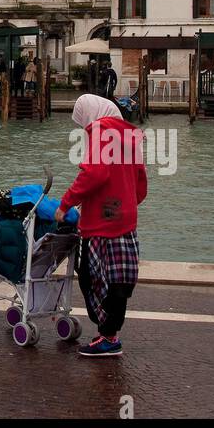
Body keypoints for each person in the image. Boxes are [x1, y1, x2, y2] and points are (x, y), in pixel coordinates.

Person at [55, 93, 147, 358]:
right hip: (124, 218)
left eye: (83, 122)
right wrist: (126, 203)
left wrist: (66, 204)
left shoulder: (101, 129)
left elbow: (94, 172)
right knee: (119, 279)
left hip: (100, 223)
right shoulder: (130, 134)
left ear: (90, 114)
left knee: (91, 278)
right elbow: (140, 181)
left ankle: (108, 336)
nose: (84, 128)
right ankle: (110, 333)